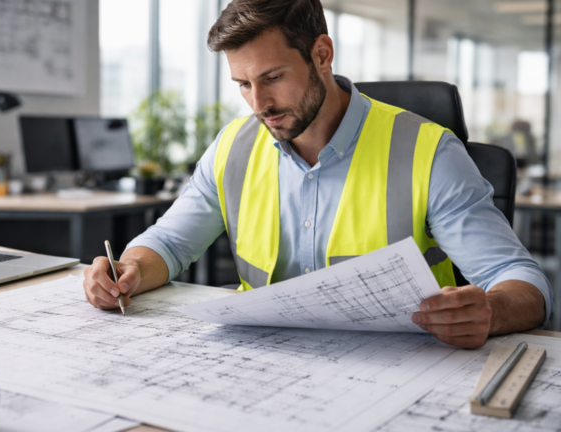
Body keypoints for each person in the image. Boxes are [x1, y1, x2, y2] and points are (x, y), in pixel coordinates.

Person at [83, 0, 552, 349]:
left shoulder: (428, 152)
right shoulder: (233, 147)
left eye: (272, 78)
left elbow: (520, 279)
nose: (258, 104)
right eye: (243, 84)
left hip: (400, 365)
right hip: (261, 364)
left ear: (322, 54)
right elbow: (168, 243)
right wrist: (129, 272)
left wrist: (489, 310)